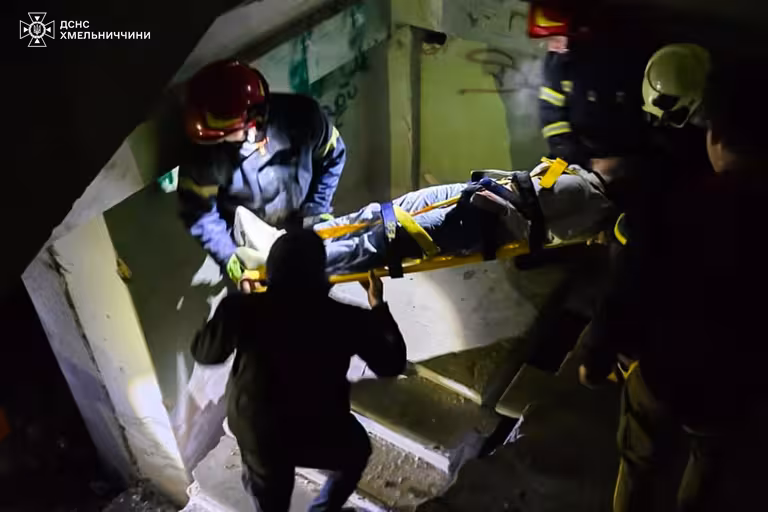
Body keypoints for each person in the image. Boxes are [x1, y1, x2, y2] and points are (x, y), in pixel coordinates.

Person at [579, 59, 768, 512]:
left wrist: (597, 354)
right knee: (708, 459)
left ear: (714, 135)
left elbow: (628, 287)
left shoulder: (676, 205)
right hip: (737, 383)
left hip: (666, 371)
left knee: (640, 464)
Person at [190, 229, 407, 512]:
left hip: (259, 429)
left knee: (268, 492)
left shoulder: (243, 308)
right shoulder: (348, 319)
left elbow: (205, 353)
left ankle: (262, 487)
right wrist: (378, 307)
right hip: (315, 426)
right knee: (356, 451)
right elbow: (392, 363)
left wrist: (236, 306)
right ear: (319, 272)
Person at [232, 158, 621, 277]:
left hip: (481, 218)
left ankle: (280, 263)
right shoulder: (582, 182)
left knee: (380, 240)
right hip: (475, 198)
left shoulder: (589, 198)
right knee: (379, 214)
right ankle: (282, 242)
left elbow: (539, 224)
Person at [178, 59, 347, 287]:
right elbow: (200, 213)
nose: (219, 141)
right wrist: (229, 257)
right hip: (252, 241)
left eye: (223, 134)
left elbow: (333, 156)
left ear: (251, 122)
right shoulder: (208, 157)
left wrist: (317, 211)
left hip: (301, 220)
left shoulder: (303, 118)